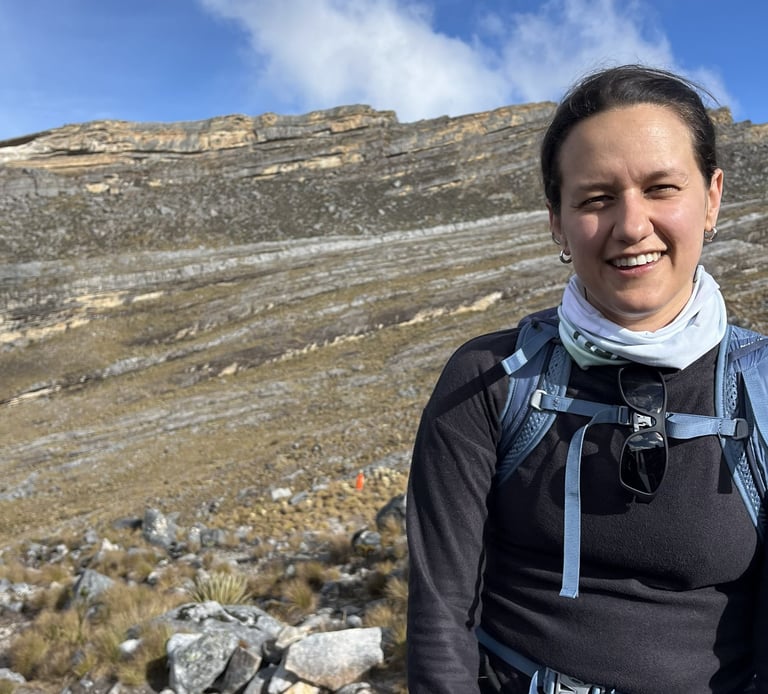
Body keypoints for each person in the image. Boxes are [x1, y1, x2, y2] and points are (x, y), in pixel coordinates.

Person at [406, 64, 767, 694]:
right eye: (596, 198)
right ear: (557, 222)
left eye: (661, 188)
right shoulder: (488, 380)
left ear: (711, 198)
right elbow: (441, 618)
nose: (631, 226)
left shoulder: (762, 387)